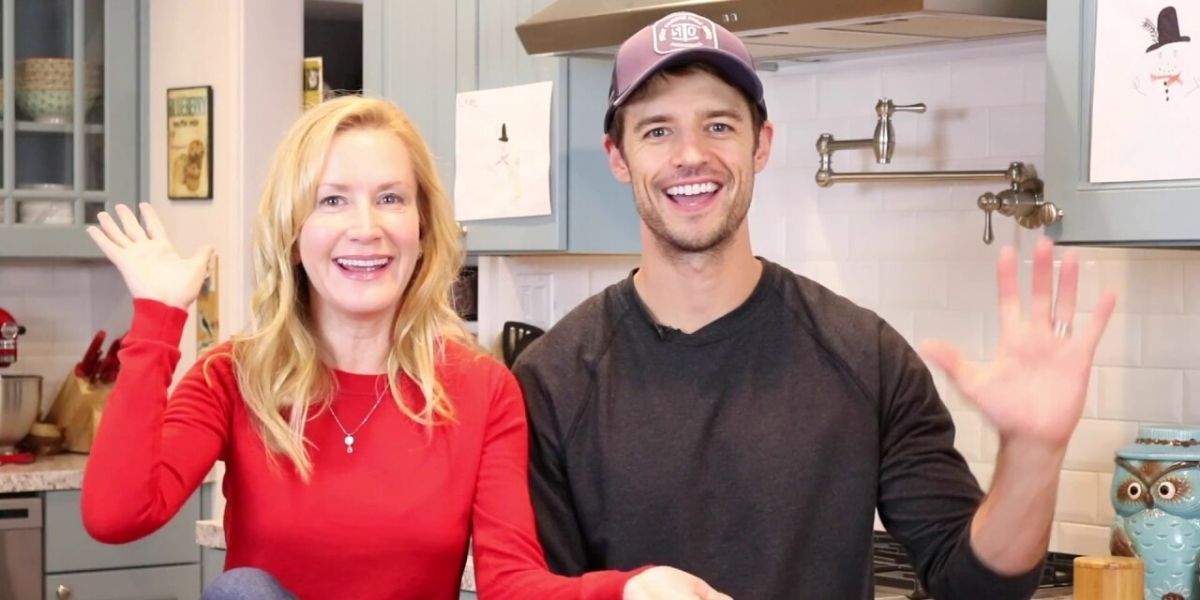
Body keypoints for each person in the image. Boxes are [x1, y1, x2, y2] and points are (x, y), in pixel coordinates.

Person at [512, 11, 1117, 600]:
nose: (690, 154)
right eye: (657, 129)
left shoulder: (863, 355)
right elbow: (536, 592)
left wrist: (1033, 455)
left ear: (762, 145)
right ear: (618, 157)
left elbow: (976, 585)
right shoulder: (555, 378)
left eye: (719, 125)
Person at [80, 96, 731, 600]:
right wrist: (159, 318)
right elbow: (115, 516)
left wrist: (629, 586)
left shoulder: (480, 390)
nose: (366, 228)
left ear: (422, 228)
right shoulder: (234, 378)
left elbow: (512, 585)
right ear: (293, 229)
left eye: (390, 198)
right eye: (331, 200)